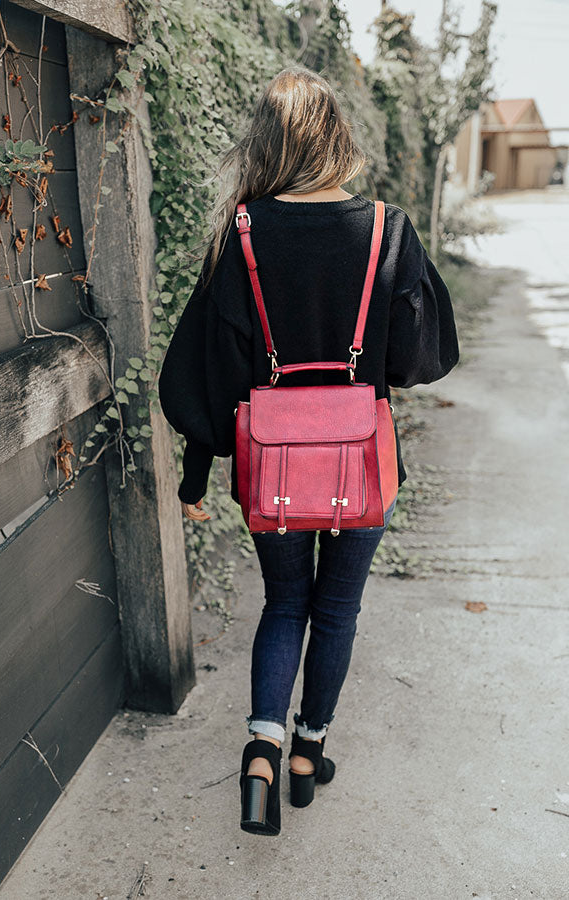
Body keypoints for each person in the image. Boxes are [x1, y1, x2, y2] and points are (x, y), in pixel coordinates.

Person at [158, 66, 459, 836]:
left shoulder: (242, 235)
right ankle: (307, 753)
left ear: (265, 143)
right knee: (338, 609)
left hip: (274, 470)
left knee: (285, 601)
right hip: (362, 465)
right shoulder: (388, 230)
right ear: (336, 136)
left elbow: (203, 374)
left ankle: (260, 749)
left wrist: (196, 476)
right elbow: (416, 360)